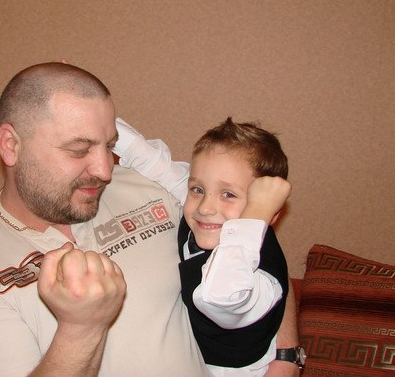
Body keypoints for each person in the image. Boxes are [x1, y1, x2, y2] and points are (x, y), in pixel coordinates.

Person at [0, 62, 301, 377]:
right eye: (79, 149)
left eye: (108, 145)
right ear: (11, 146)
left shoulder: (151, 188)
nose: (105, 170)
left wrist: (285, 356)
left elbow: (248, 235)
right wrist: (81, 328)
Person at [116, 118, 295, 376]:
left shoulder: (262, 283)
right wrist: (101, 124)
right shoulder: (209, 215)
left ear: (265, 213)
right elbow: (155, 163)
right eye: (198, 189)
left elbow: (219, 295)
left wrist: (256, 214)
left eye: (228, 194)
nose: (205, 207)